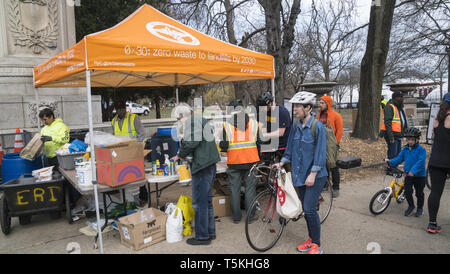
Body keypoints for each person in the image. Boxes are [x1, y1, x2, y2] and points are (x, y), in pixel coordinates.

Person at [273, 91, 328, 255]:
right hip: (299, 175)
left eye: (298, 106)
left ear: (308, 108)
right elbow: (289, 150)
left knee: (310, 210)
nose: (294, 109)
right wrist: (282, 162)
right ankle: (311, 240)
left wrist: (313, 174)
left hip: (315, 176)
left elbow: (320, 154)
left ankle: (317, 245)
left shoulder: (317, 127)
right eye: (294, 106)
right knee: (306, 209)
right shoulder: (296, 126)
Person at [171, 103, 221, 246]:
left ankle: (202, 236)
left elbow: (192, 142)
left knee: (199, 203)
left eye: (179, 118)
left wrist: (180, 155)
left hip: (202, 166)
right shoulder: (199, 119)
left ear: (182, 115)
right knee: (207, 201)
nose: (179, 122)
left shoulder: (192, 122)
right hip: (209, 164)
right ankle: (210, 232)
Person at [220, 100, 261, 224]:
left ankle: (236, 217)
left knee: (234, 189)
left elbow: (224, 146)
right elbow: (259, 143)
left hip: (234, 162)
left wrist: (222, 145)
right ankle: (250, 216)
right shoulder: (254, 124)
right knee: (250, 189)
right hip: (252, 160)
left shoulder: (227, 126)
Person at [111, 100, 147, 205]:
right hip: (122, 153)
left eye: (122, 109)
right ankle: (129, 199)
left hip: (135, 152)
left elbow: (142, 133)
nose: (121, 111)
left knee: (139, 174)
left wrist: (136, 147)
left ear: (125, 109)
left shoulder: (134, 118)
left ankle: (143, 197)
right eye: (118, 109)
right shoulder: (113, 121)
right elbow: (113, 137)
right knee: (126, 175)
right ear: (116, 110)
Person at [385, 127, 426, 217]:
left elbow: (421, 162)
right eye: (408, 139)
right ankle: (411, 206)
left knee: (419, 193)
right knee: (407, 192)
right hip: (408, 175)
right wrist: (390, 161)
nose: (410, 141)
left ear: (417, 139)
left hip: (419, 176)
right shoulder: (405, 149)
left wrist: (413, 171)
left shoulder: (421, 150)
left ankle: (420, 208)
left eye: (412, 139)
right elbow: (399, 159)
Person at [426, 92, 450, 234]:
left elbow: (436, 137)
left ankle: (432, 224)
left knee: (435, 192)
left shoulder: (436, 119)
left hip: (436, 160)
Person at [318, 95, 343, 197]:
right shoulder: (319, 115)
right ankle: (325, 184)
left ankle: (336, 187)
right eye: (320, 102)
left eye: (322, 103)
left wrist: (335, 143)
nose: (320, 104)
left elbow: (340, 131)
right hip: (321, 143)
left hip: (331, 144)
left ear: (328, 104)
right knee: (323, 165)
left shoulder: (336, 115)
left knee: (333, 165)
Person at [380, 92, 408, 159]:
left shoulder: (398, 107)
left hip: (397, 134)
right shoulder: (390, 106)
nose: (402, 99)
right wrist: (391, 136)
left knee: (397, 153)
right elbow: (387, 122)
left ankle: (394, 167)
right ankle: (390, 168)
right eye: (401, 97)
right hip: (392, 135)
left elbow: (402, 121)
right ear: (396, 98)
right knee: (393, 153)